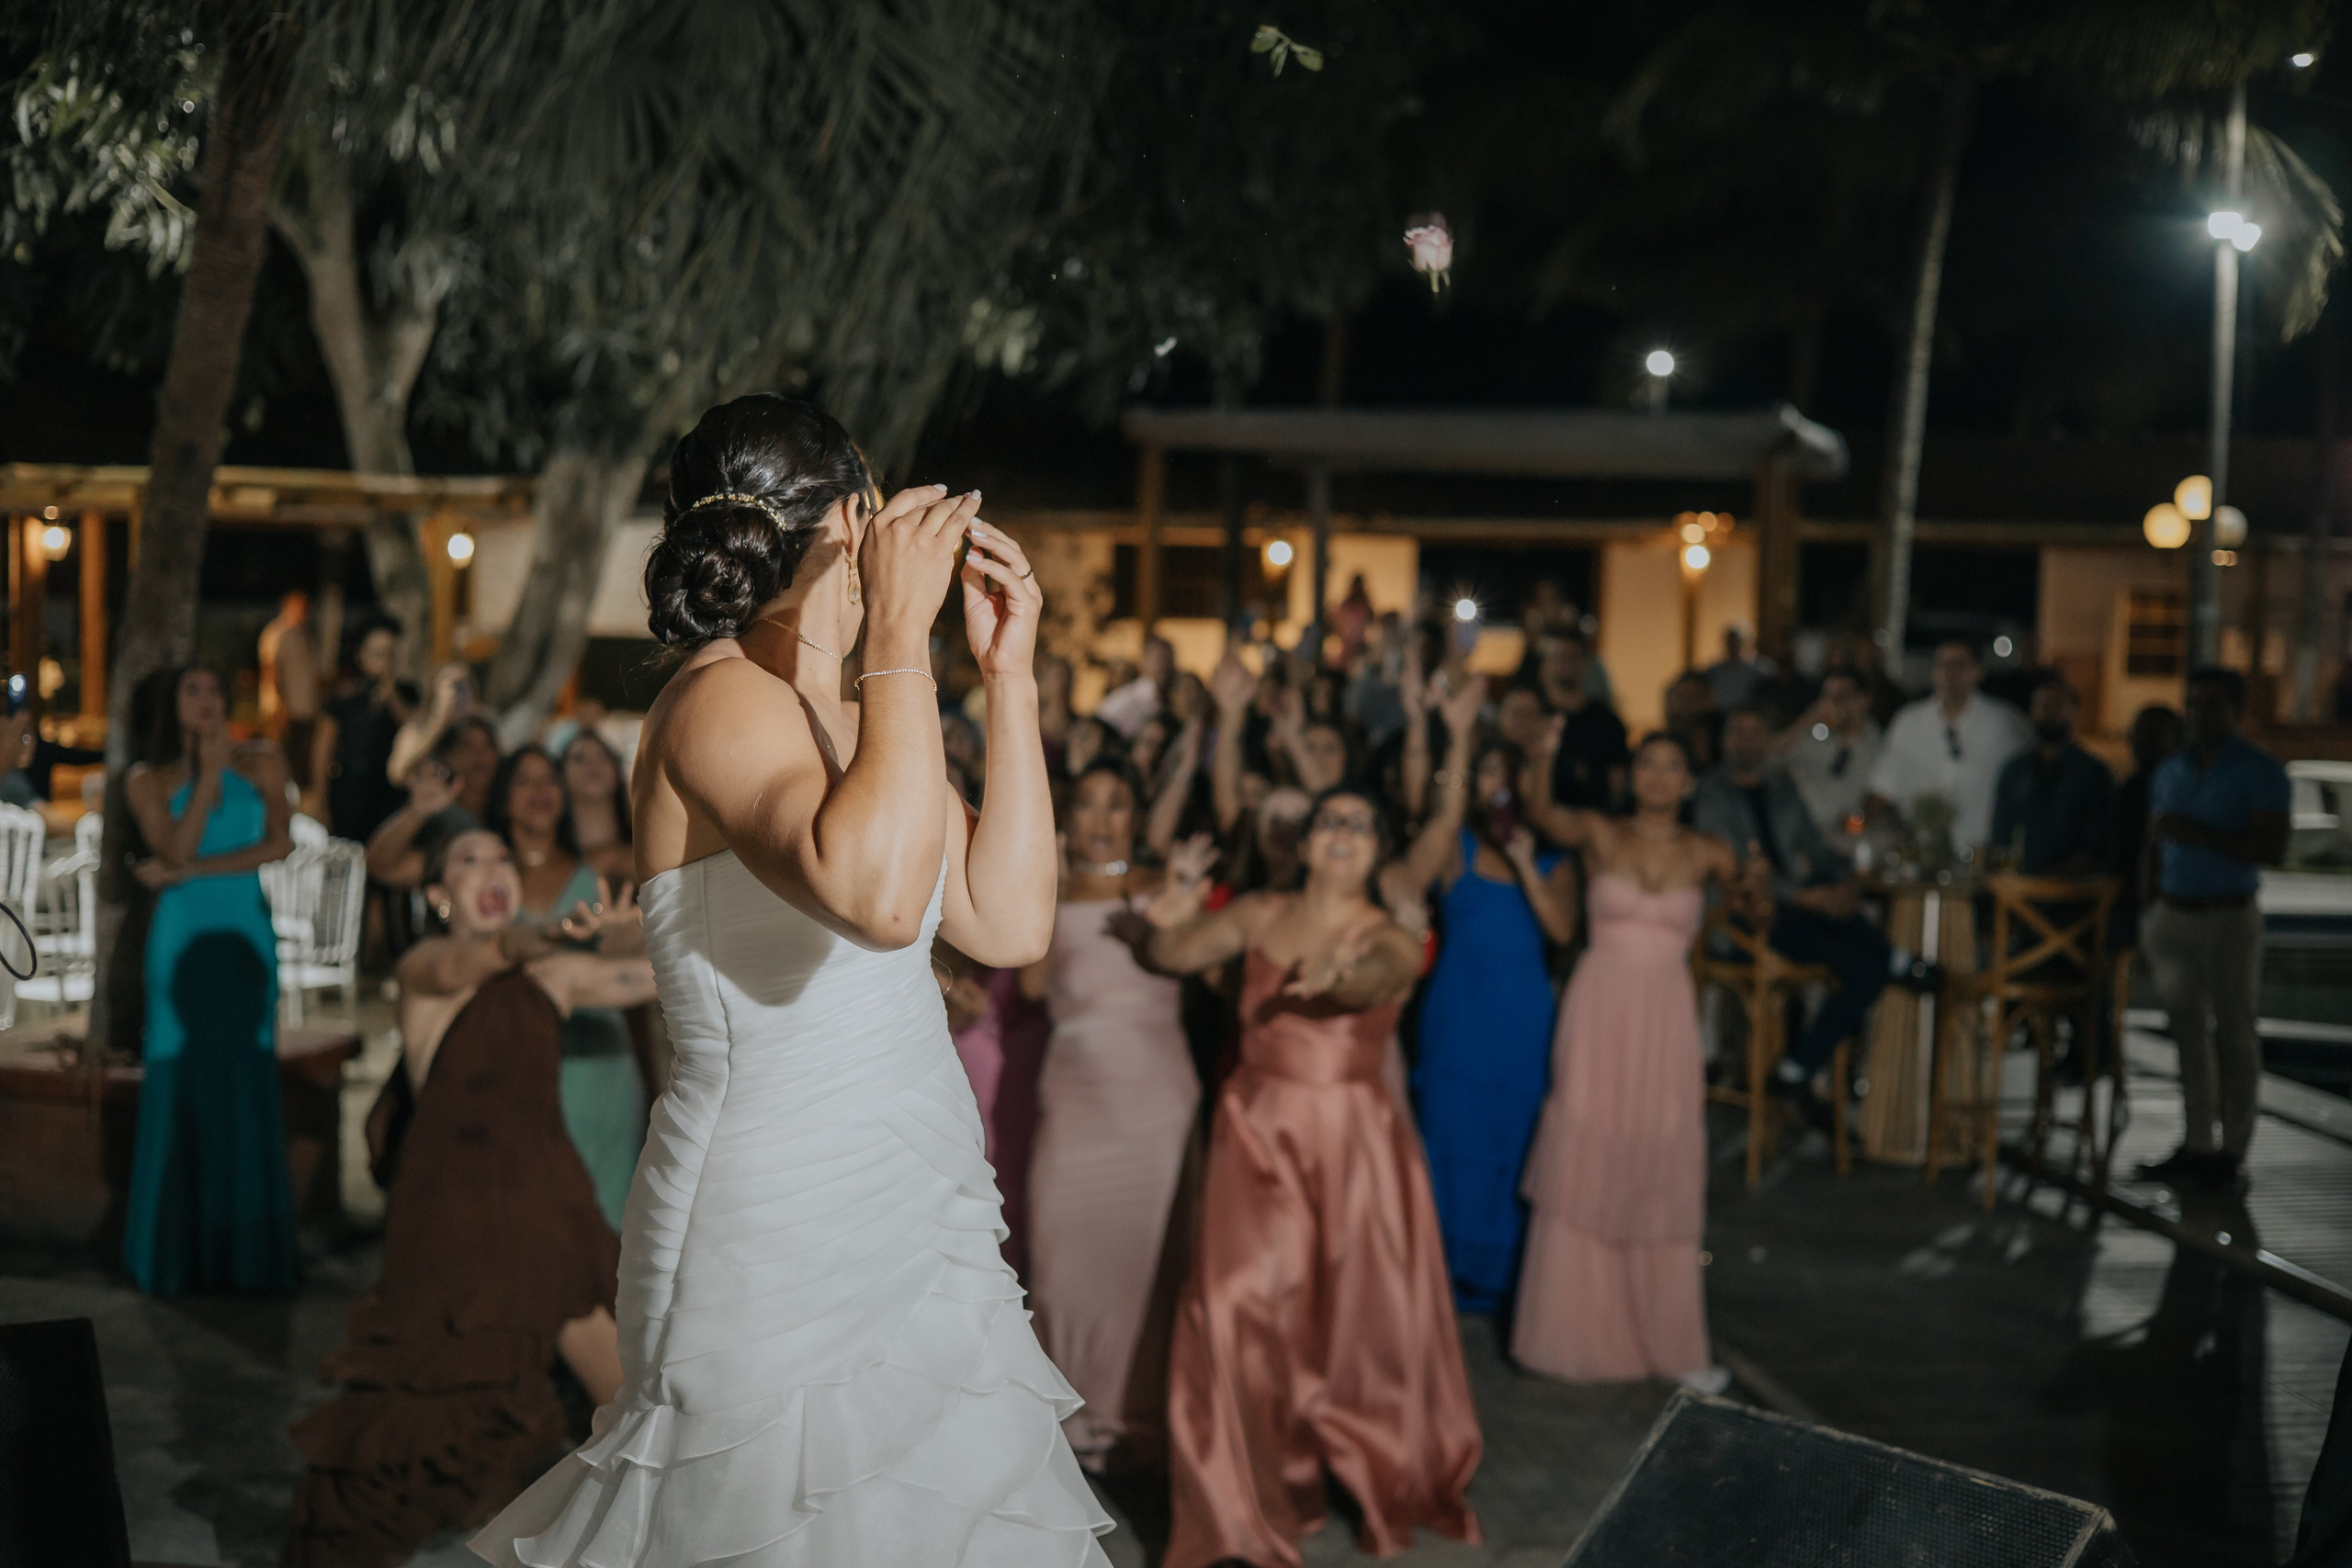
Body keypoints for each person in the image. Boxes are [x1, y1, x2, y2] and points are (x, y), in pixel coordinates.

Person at [473, 395, 1110, 1564]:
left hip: (920, 1193)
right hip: (771, 1213)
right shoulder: (716, 700)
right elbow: (869, 895)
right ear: (852, 523)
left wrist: (1009, 682)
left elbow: (1008, 920)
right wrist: (900, 645)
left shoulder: (862, 712)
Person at [283, 829, 657, 1568]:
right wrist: (552, 931)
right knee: (419, 1401)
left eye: (501, 859)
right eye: (469, 859)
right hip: (452, 1218)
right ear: (437, 895)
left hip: (550, 1205)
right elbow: (484, 955)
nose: (492, 870)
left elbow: (647, 979)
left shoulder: (556, 974)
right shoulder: (427, 969)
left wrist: (649, 932)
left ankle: (627, 1545)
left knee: (631, 1395)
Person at [1146, 785, 1482, 1568]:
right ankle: (1237, 1506)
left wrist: (1345, 976)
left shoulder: (1390, 933)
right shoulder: (1262, 913)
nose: (1344, 832)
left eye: (1363, 823)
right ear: (1304, 840)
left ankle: (1372, 1471)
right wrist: (1170, 916)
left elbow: (1380, 974)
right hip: (1256, 1130)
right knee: (1226, 1302)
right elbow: (1177, 952)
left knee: (1354, 1325)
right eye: (1331, 819)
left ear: (1378, 848)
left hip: (1354, 1143)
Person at [1514, 731, 1742, 1387]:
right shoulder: (1600, 833)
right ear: (1630, 775)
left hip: (1666, 1015)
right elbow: (1541, 813)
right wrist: (1543, 753)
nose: (1660, 776)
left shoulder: (1708, 851)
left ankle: (1671, 1342)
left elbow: (1757, 912)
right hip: (1600, 1005)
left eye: (1674, 765)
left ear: (1691, 781)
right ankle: (1571, 1330)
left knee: (1657, 1146)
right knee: (1589, 1141)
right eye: (1648, 764)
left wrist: (1756, 886)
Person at [1023, 761, 1199, 1469]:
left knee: (1147, 1264)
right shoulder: (1050, 885)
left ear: (1137, 814)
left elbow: (1195, 960)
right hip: (1075, 1095)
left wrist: (1181, 901)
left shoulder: (1160, 884)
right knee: (1062, 1261)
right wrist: (1049, 880)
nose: (1101, 818)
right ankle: (1073, 1417)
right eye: (1087, 803)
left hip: (1156, 1102)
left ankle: (1138, 1417)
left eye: (1117, 803)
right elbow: (1033, 983)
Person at [1397, 680, 1578, 1314]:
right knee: (1450, 1132)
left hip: (1522, 1018)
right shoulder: (1455, 847)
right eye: (1487, 773)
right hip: (1459, 1013)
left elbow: (1561, 930)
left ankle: (1507, 1276)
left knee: (1515, 1138)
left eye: (1508, 773)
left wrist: (1528, 863)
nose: (1497, 785)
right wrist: (1451, 732)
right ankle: (1443, 1271)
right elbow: (1422, 798)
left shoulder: (1557, 860)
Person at [119, 666, 298, 1295]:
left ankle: (248, 1254)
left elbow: (281, 844)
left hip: (244, 931)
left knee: (246, 1077)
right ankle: (173, 1256)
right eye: (192, 691)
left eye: (214, 689)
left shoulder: (267, 761)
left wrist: (191, 870)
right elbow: (173, 849)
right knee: (179, 1079)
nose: (207, 700)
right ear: (170, 705)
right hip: (181, 938)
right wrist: (209, 775)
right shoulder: (147, 778)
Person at [1696, 705, 1930, 1126]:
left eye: (1755, 731)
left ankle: (1796, 1069)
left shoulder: (1782, 788)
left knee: (1856, 953)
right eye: (1738, 732)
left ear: (1767, 741)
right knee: (1864, 966)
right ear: (1724, 740)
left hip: (1792, 913)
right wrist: (1809, 899)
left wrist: (1845, 885)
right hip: (1739, 919)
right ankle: (1895, 961)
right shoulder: (1710, 794)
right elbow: (1734, 875)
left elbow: (1818, 848)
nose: (1747, 741)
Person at [2134, 667, 2290, 1192]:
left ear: (2236, 711)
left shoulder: (2259, 771)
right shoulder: (2171, 770)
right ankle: (2197, 1140)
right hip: (2174, 913)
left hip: (2228, 914)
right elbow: (2154, 844)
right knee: (2186, 1034)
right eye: (2194, 703)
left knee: (2235, 1032)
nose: (2201, 714)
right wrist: (2148, 906)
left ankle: (2232, 1149)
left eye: (2214, 704)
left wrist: (2199, 833)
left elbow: (2272, 847)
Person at [486, 745, 648, 1231]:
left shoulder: (603, 871)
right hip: (510, 1071)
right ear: (502, 798)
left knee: (603, 1230)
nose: (541, 791)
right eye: (524, 780)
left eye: (550, 779)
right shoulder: (483, 876)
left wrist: (623, 933)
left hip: (597, 1068)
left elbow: (641, 948)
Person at [1865, 638, 2032, 852]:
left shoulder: (2004, 723)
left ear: (1977, 672)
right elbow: (1884, 784)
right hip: (1921, 849)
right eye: (1943, 665)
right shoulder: (1909, 722)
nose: (1949, 674)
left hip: (1982, 850)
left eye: (1959, 666)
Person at [1988, 672, 2115, 874]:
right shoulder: (2014, 770)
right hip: (2016, 889)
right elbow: (2000, 832)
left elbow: (2099, 839)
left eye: (2056, 705)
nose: (2046, 712)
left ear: (2074, 712)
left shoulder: (2093, 773)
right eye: (2040, 705)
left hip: (2073, 891)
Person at [364, 715, 502, 889]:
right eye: (466, 746)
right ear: (447, 756)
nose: (479, 756)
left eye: (487, 746)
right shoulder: (435, 822)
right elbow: (381, 867)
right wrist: (415, 812)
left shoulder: (509, 818)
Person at [318, 617, 411, 845]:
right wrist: (321, 802)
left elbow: (414, 727)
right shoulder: (344, 696)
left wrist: (392, 697)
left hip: (391, 792)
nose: (385, 662)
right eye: (378, 654)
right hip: (350, 791)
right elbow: (322, 749)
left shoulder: (406, 692)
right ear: (361, 655)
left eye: (391, 654)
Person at [2110, 705, 2186, 953]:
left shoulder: (2181, 788)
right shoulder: (2131, 788)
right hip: (2128, 902)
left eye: (2152, 735)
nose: (2141, 741)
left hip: (2171, 905)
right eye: (2138, 734)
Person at [1780, 668, 1882, 844]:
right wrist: (1807, 720)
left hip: (1854, 839)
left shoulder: (1877, 743)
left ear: (1863, 700)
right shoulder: (1812, 737)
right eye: (1827, 696)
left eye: (1842, 696)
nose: (1833, 703)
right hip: (1806, 838)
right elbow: (1767, 758)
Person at [1536, 627, 1627, 810]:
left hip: (1590, 821)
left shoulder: (1607, 722)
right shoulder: (1536, 715)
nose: (1565, 662)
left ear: (1586, 663)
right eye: (1558, 656)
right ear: (1547, 663)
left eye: (1572, 657)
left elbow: (1617, 781)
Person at [257, 590, 322, 795]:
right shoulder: (277, 633)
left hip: (304, 709)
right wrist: (279, 704)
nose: (304, 611)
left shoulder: (305, 636)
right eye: (299, 606)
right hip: (284, 710)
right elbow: (271, 669)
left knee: (299, 760)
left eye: (306, 606)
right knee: (280, 759)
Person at [560, 728, 635, 882]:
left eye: (603, 756)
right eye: (579, 758)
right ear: (561, 775)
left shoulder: (648, 843)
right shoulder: (552, 855)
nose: (592, 765)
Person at [1703, 624, 1775, 709]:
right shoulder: (1714, 671)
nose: (1733, 646)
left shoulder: (1762, 669)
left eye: (1736, 642)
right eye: (1730, 642)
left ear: (1748, 643)